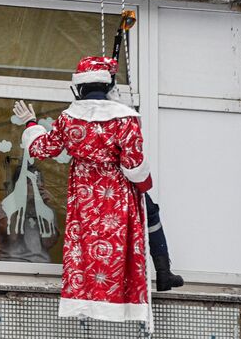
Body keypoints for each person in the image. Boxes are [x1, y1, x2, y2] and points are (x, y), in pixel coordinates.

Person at [13, 56, 152, 324]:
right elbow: (135, 166)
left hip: (84, 196)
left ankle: (84, 305)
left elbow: (44, 149)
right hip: (117, 195)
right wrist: (145, 186)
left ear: (79, 88)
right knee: (116, 249)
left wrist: (31, 124)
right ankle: (123, 302)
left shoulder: (68, 119)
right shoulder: (126, 119)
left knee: (85, 249)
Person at [0, 164, 59, 263]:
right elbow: (12, 236)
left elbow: (48, 243)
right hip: (12, 265)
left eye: (39, 185)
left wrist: (44, 209)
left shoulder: (47, 210)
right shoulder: (6, 206)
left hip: (40, 266)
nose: (37, 189)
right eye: (32, 184)